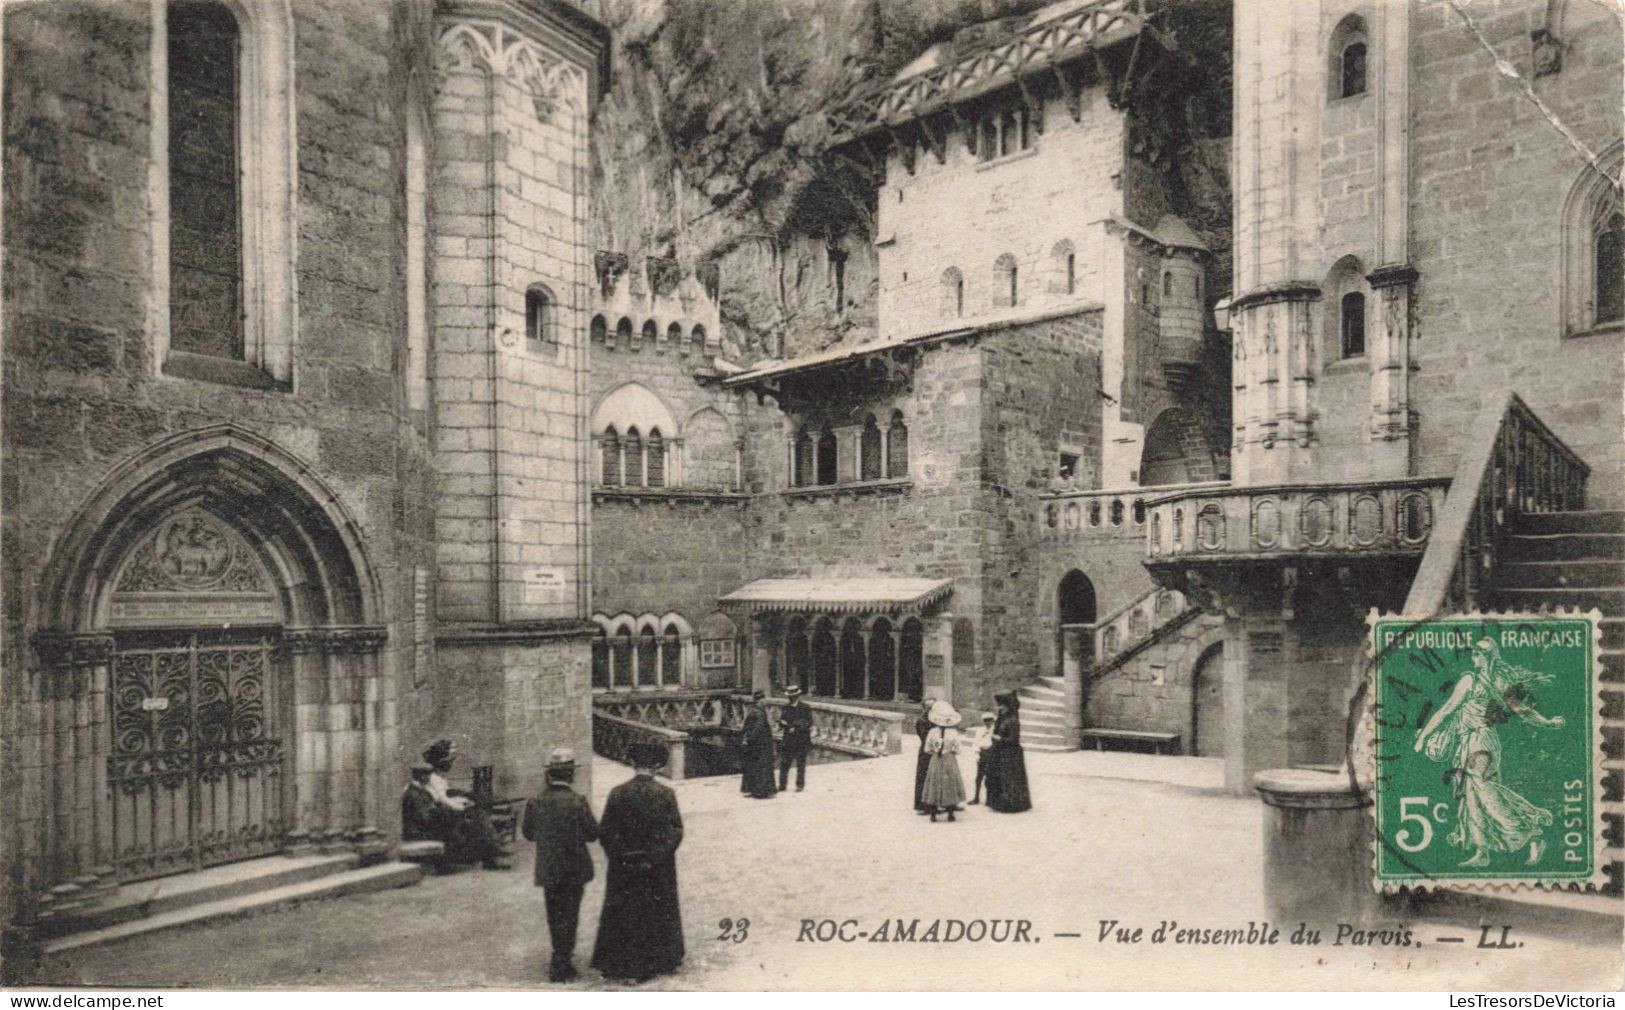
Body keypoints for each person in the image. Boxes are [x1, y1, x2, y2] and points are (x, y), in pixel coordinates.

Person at [1414, 637, 1562, 867]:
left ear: (1488, 656)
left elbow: (1446, 710)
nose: (1474, 657)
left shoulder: (1471, 680)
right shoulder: (1498, 680)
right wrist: (1548, 723)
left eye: (1478, 653)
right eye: (1473, 653)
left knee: (1482, 789)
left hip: (1480, 741)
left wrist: (1423, 737)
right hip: (1476, 740)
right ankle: (1482, 852)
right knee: (1472, 794)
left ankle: (1532, 832)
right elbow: (1523, 711)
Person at [591, 743, 685, 983]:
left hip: (623, 865)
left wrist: (620, 857)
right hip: (657, 867)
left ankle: (618, 962)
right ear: (657, 766)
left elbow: (607, 831)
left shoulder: (617, 793)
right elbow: (674, 831)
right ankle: (660, 959)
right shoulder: (665, 794)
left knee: (623, 911)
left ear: (633, 764)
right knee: (655, 910)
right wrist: (653, 859)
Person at [522, 747, 599, 982]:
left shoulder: (536, 802)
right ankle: (563, 961)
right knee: (570, 913)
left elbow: (528, 833)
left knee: (554, 914)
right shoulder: (578, 801)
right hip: (575, 868)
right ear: (570, 775)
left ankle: (559, 957)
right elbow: (592, 834)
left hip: (549, 868)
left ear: (549, 775)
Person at [415, 740, 511, 868]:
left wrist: (462, 798)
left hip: (443, 810)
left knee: (478, 812)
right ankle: (492, 854)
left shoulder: (438, 777)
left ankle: (493, 850)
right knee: (478, 816)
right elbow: (443, 800)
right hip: (441, 814)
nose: (450, 764)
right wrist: (463, 804)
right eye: (448, 762)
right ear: (440, 762)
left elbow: (445, 796)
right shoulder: (434, 779)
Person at [985, 692, 1033, 813]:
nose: (999, 708)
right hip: (1000, 752)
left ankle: (1011, 805)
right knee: (998, 777)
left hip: (1011, 753)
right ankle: (997, 803)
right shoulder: (1002, 718)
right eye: (999, 706)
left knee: (1009, 779)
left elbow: (1013, 739)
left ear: (1008, 706)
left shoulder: (1013, 721)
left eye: (1002, 706)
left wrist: (999, 739)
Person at [920, 700, 968, 822]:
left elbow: (927, 749)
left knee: (934, 783)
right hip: (949, 760)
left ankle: (933, 814)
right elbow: (957, 750)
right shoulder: (953, 733)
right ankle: (950, 813)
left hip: (936, 759)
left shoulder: (932, 732)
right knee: (950, 783)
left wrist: (936, 751)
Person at [739, 691, 778, 799]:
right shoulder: (760, 713)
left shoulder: (752, 711)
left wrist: (746, 739)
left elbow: (746, 727)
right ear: (759, 701)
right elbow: (758, 728)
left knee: (753, 767)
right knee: (763, 767)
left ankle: (754, 789)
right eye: (763, 699)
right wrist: (751, 739)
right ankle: (762, 791)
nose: (764, 701)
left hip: (754, 745)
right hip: (761, 744)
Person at [777, 685, 813, 792]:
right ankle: (782, 784)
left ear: (797, 696)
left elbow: (808, 722)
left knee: (801, 764)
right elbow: (782, 720)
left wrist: (795, 727)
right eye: (789, 696)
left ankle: (799, 785)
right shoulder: (786, 708)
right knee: (784, 763)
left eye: (792, 696)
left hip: (800, 740)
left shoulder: (805, 707)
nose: (790, 698)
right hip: (788, 740)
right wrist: (781, 723)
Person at [968, 711, 996, 805]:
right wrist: (976, 754)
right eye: (985, 721)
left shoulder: (995, 730)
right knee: (979, 777)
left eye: (989, 720)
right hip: (982, 754)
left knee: (990, 778)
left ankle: (989, 799)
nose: (987, 722)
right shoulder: (980, 731)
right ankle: (976, 798)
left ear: (993, 721)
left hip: (991, 754)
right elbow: (976, 743)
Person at [912, 697, 934, 814]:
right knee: (923, 777)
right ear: (924, 708)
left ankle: (933, 804)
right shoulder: (921, 720)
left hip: (934, 751)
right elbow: (925, 738)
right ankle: (922, 805)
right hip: (925, 752)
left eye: (932, 707)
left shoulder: (935, 720)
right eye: (928, 707)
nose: (930, 709)